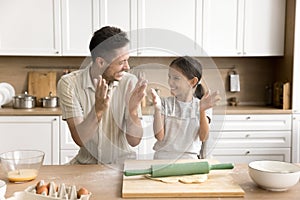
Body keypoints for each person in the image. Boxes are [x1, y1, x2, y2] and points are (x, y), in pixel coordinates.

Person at [57, 26, 147, 164]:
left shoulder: (130, 82)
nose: (127, 67)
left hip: (121, 166)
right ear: (100, 62)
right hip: (85, 165)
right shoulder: (69, 84)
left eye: (127, 60)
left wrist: (133, 111)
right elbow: (80, 140)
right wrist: (97, 110)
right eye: (121, 62)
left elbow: (134, 141)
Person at [150, 56, 220, 159]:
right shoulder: (164, 103)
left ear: (192, 82)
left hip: (189, 160)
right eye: (169, 77)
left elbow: (203, 137)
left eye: (176, 78)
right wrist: (157, 109)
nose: (170, 82)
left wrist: (201, 110)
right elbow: (159, 137)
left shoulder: (203, 105)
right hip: (162, 159)